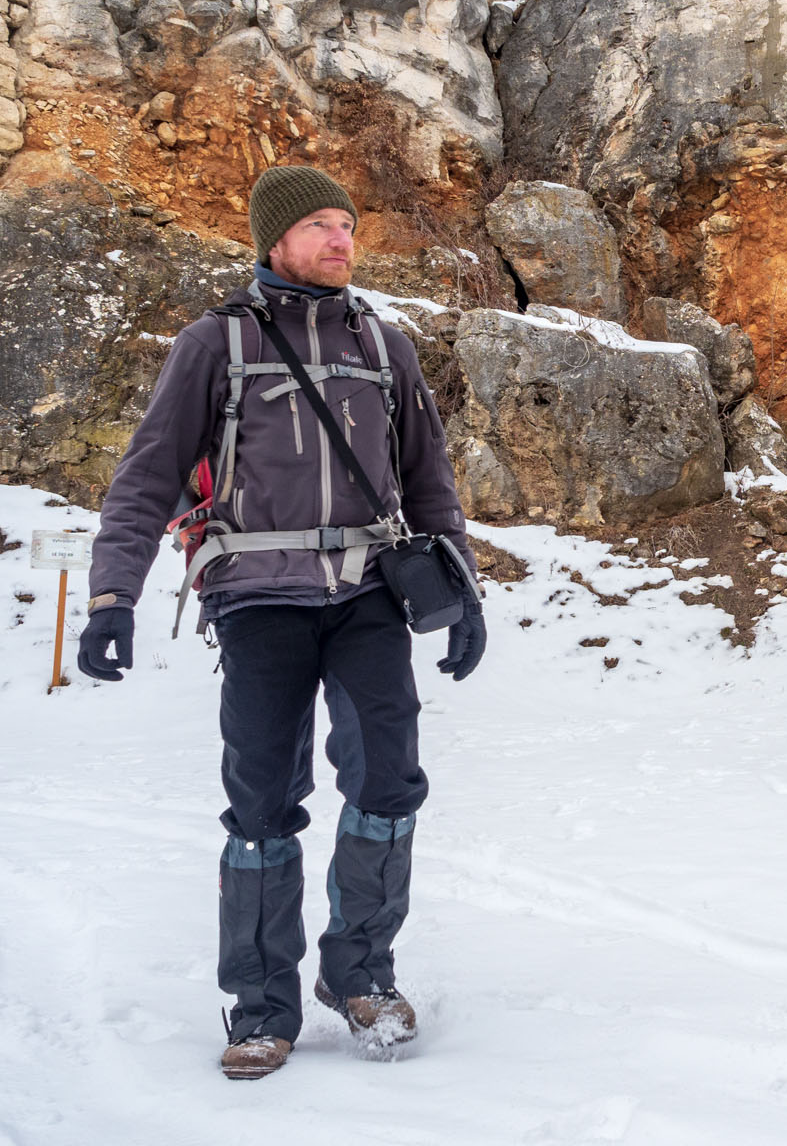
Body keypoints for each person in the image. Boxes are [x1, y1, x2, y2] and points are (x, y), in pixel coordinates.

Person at [74, 165, 486, 1079]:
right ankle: (261, 1006)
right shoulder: (213, 345)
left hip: (370, 594)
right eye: (323, 227)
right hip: (256, 598)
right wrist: (113, 597)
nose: (343, 240)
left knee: (388, 782)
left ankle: (361, 972)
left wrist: (463, 590)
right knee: (262, 806)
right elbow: (145, 478)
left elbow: (430, 484)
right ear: (275, 241)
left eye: (348, 225)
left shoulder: (387, 348)